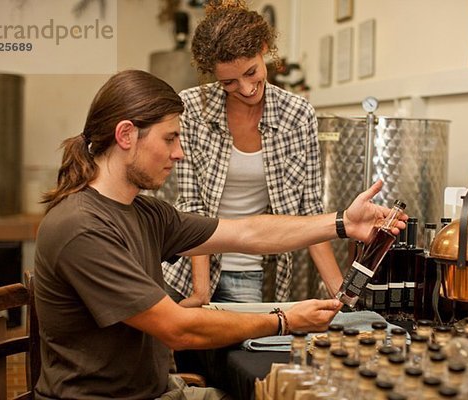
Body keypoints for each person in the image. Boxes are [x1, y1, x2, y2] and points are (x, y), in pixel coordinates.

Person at [33, 69, 406, 399]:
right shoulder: (83, 228)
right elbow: (178, 329)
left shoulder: (144, 212)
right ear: (126, 134)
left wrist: (343, 223)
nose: (179, 153)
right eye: (169, 138)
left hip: (155, 389)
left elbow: (245, 232)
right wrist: (285, 319)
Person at [163, 0, 343, 306]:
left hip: (249, 271)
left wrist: (342, 293)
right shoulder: (192, 107)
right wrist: (200, 292)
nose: (246, 88)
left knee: (241, 353)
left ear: (264, 49)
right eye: (229, 82)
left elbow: (311, 212)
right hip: (187, 269)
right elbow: (193, 207)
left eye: (251, 72)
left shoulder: (296, 114)